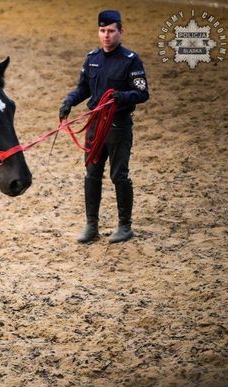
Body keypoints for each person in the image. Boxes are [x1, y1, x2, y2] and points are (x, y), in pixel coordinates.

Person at [59, 10, 149, 243]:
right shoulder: (92, 58)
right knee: (92, 174)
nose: (106, 36)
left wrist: (122, 96)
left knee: (119, 175)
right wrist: (69, 100)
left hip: (118, 126)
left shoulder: (131, 60)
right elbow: (83, 88)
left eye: (111, 31)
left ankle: (125, 226)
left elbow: (142, 93)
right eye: (102, 31)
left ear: (120, 31)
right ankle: (91, 226)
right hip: (95, 125)